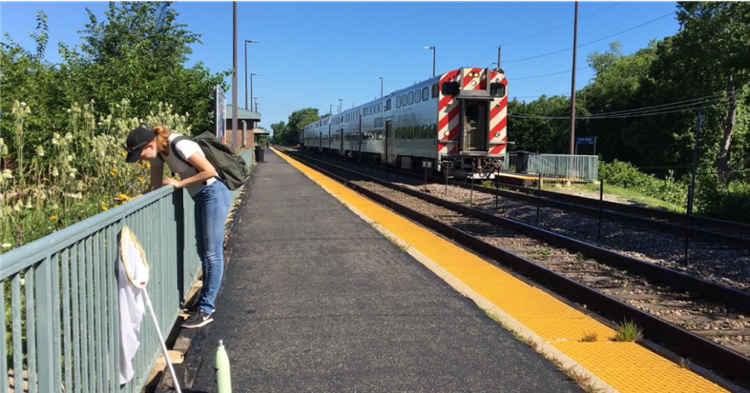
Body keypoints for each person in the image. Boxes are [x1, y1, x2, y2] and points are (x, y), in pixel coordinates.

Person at [124, 126, 231, 329]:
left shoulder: (179, 144)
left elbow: (210, 171)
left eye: (140, 154)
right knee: (202, 250)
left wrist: (179, 184)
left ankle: (206, 309)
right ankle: (205, 300)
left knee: (212, 254)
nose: (140, 159)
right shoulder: (158, 153)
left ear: (149, 145)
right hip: (200, 195)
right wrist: (138, 197)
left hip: (213, 192)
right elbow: (155, 186)